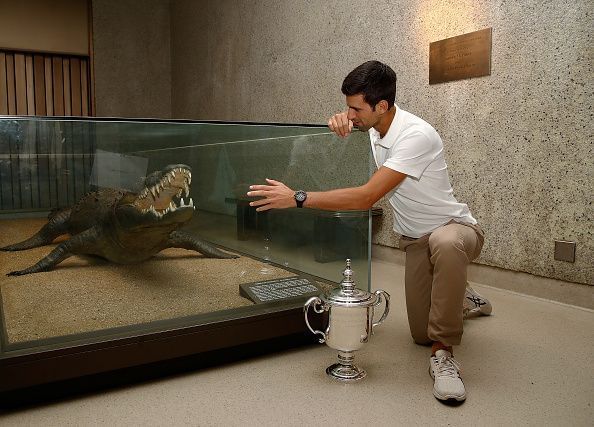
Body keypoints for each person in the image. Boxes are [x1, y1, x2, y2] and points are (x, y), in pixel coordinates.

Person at [247, 60, 492, 402]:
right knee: (419, 334)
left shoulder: (416, 135)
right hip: (416, 241)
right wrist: (342, 120)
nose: (350, 115)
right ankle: (462, 296)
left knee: (445, 248)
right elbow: (354, 128)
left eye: (355, 109)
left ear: (382, 106)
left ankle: (444, 355)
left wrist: (298, 198)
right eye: (348, 108)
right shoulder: (376, 126)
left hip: (456, 230)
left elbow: (366, 197)